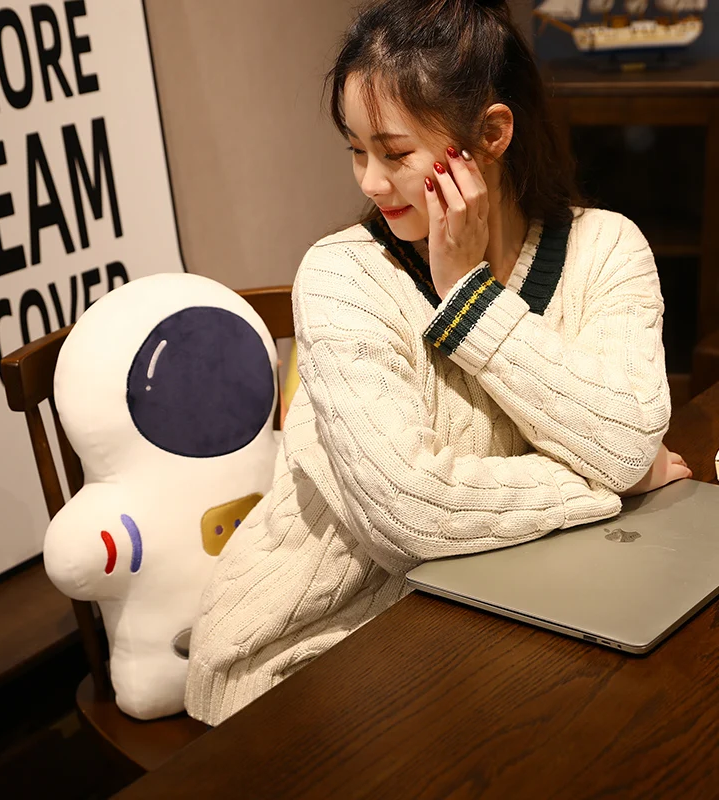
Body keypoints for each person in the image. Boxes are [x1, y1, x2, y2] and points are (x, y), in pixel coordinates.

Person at [185, 0, 690, 726]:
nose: (369, 182)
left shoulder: (606, 249)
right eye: (355, 150)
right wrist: (610, 482)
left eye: (394, 153)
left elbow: (627, 439)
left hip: (498, 626)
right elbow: (412, 513)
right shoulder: (342, 277)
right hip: (307, 654)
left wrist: (471, 301)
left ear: (492, 134)